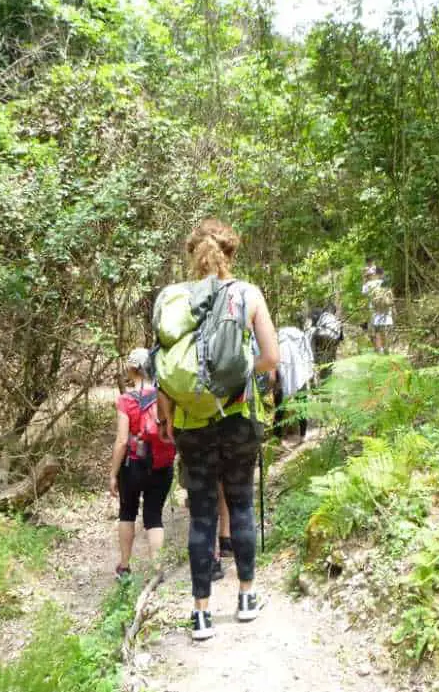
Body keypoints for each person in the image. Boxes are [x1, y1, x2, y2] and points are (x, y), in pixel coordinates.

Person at [156, 218, 279, 641]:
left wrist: (170, 417)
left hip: (191, 421)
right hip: (238, 415)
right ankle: (246, 597)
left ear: (193, 254)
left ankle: (201, 614)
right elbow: (272, 358)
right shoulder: (248, 294)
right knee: (241, 505)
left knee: (203, 515)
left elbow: (166, 368)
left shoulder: (176, 299)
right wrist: (238, 377)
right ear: (231, 253)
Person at [108, 348, 176, 579]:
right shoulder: (164, 395)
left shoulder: (126, 401)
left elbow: (121, 440)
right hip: (162, 463)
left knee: (127, 512)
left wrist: (113, 474)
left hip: (133, 465)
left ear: (133, 369)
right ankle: (157, 569)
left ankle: (125, 567)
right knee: (154, 515)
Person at [362, 265, 394, 354]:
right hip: (386, 308)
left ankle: (379, 349)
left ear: (374, 274)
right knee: (386, 329)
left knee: (377, 330)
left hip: (374, 309)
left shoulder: (369, 284)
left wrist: (364, 279)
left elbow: (364, 292)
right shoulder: (384, 282)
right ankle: (386, 348)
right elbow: (391, 296)